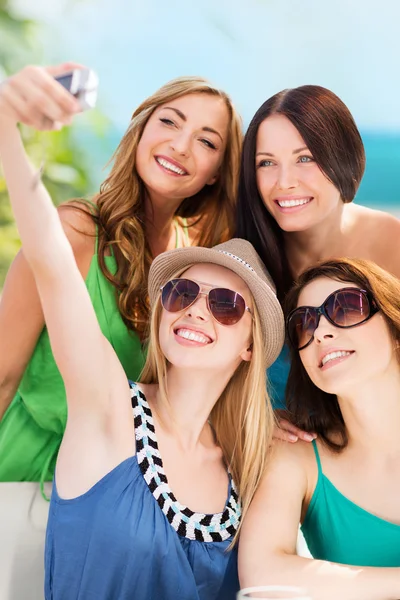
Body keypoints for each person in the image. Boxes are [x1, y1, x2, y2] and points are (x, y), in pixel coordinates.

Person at [0, 100, 285, 597]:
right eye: (181, 292)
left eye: (225, 304)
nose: (197, 309)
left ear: (249, 346)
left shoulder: (249, 467)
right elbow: (49, 256)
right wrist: (5, 124)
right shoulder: (109, 408)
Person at [0, 63, 243, 485]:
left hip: (122, 485)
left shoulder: (194, 264)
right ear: (142, 128)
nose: (181, 145)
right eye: (169, 121)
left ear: (218, 172)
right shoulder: (75, 230)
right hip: (25, 474)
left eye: (206, 141)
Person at [239, 258, 400, 600]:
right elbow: (260, 576)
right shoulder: (295, 454)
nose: (321, 332)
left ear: (393, 321)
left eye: (346, 308)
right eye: (305, 324)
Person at [236, 84, 400, 417]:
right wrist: (255, 422)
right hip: (280, 459)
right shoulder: (241, 262)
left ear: (342, 156)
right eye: (266, 163)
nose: (284, 182)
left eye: (305, 158)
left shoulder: (391, 244)